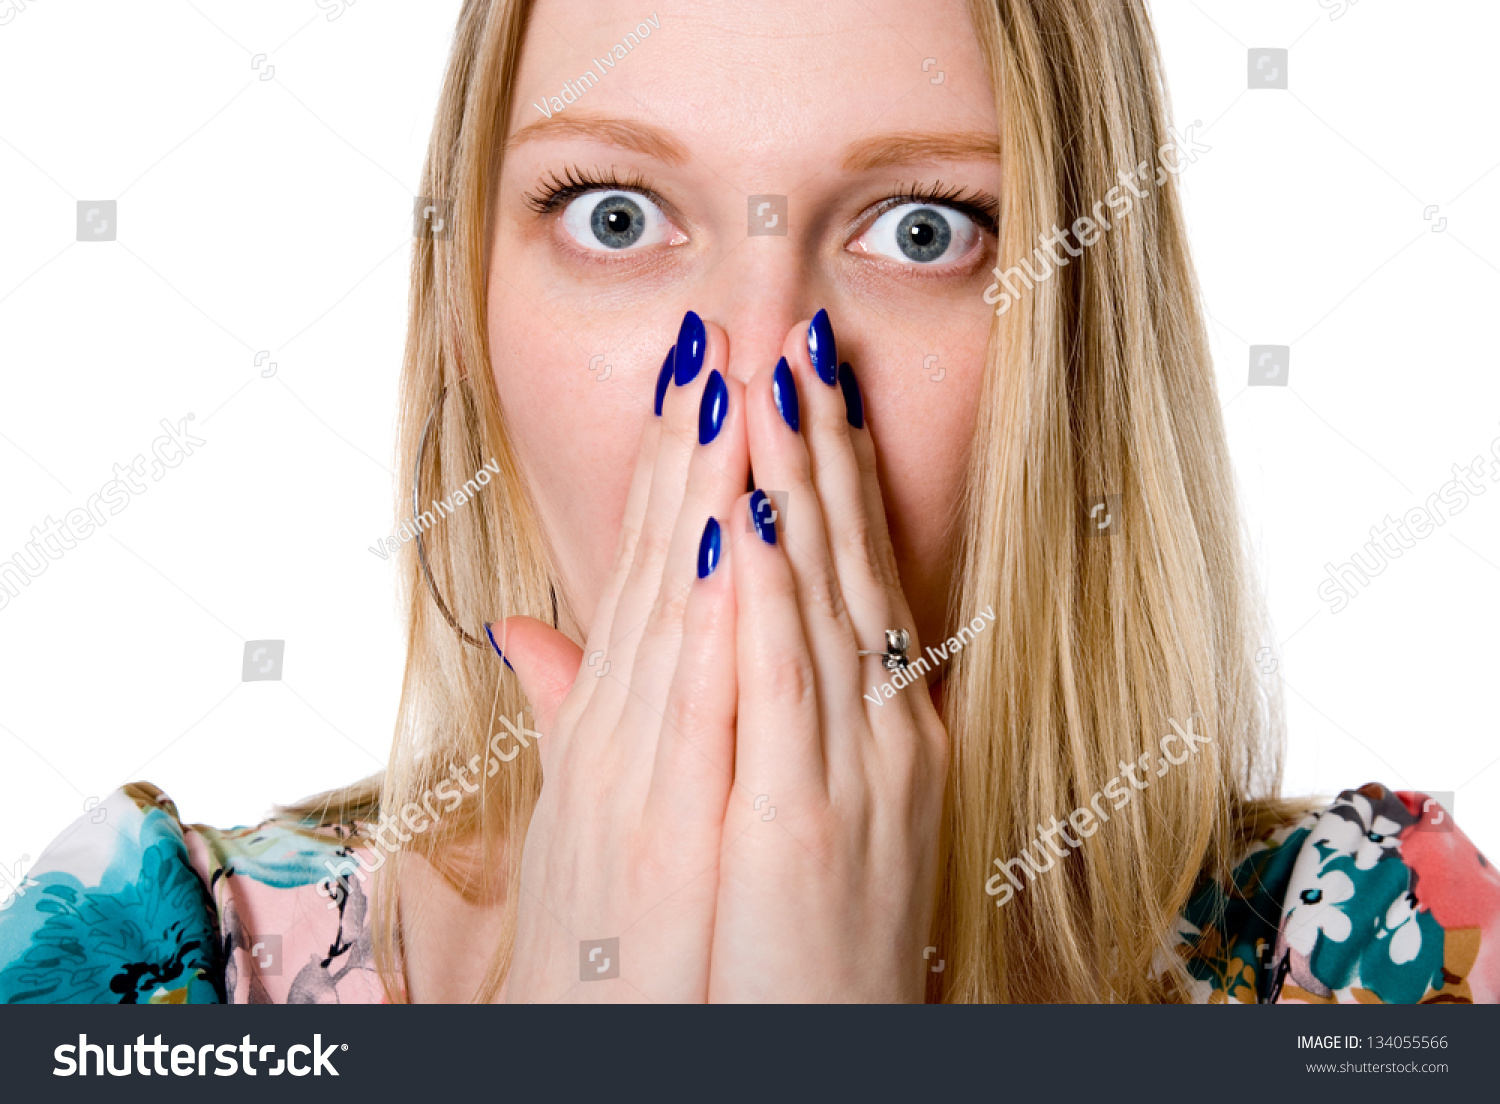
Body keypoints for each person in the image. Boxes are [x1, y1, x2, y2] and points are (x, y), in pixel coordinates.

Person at [3, 0, 1495, 1005]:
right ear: (469, 303)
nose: (766, 376)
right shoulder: (155, 966)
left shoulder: (1372, 960)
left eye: (921, 231)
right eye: (617, 217)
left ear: (1079, 331)